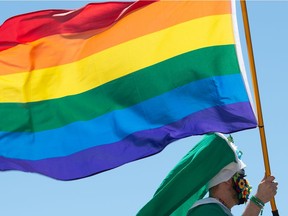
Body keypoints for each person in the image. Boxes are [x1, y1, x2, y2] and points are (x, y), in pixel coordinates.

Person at [137, 133, 278, 216]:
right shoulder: (207, 211)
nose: (245, 182)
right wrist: (258, 201)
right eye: (240, 175)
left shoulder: (216, 210)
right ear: (227, 179)